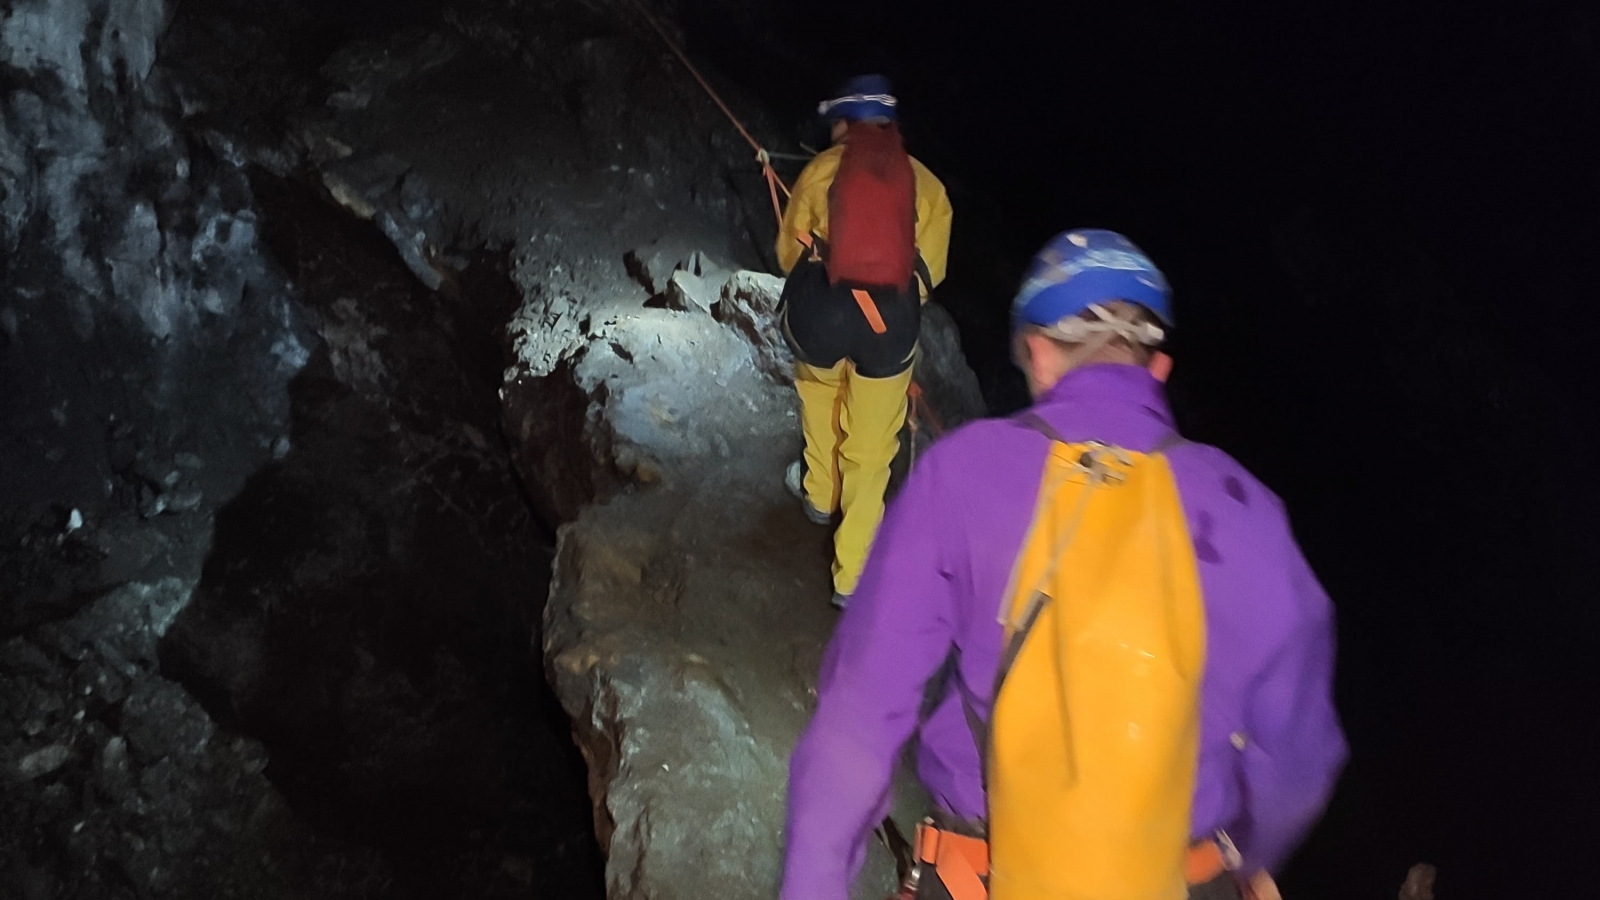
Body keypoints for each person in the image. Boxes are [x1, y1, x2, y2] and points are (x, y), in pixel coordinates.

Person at [780, 229, 1346, 900]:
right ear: (1156, 368)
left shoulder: (963, 472)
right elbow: (1300, 763)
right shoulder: (1250, 510)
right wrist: (1238, 851)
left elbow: (861, 713)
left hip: (981, 877)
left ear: (1041, 355)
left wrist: (813, 882)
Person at [776, 74, 953, 610]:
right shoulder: (928, 186)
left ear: (846, 121)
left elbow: (789, 254)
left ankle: (817, 493)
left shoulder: (820, 171)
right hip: (890, 326)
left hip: (822, 315)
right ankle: (852, 575)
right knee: (873, 447)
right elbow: (932, 273)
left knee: (820, 396)